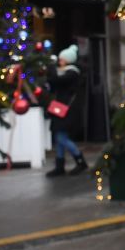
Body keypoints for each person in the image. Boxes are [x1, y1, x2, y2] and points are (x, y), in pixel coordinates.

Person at [46, 45, 85, 177]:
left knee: (60, 137)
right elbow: (53, 84)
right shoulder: (63, 71)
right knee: (59, 136)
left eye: (62, 59)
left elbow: (57, 81)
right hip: (60, 107)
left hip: (67, 109)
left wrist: (51, 70)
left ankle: (80, 161)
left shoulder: (72, 73)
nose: (59, 61)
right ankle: (59, 165)